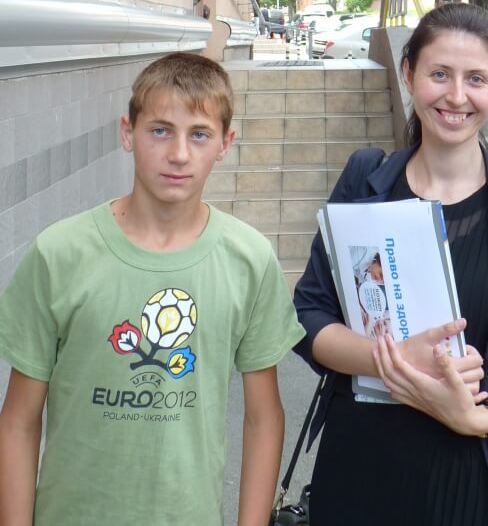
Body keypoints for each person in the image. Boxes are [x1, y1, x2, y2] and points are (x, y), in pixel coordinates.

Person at [293, 2, 488, 526]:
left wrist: (480, 417)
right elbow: (309, 316)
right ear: (408, 74)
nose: (456, 96)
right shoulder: (366, 181)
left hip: (475, 481)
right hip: (359, 470)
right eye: (439, 74)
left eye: (476, 78)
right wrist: (393, 359)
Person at [0, 51, 304, 526]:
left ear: (225, 143)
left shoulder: (249, 261)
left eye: (199, 134)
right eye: (160, 130)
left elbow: (264, 418)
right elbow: (19, 420)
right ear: (128, 132)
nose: (179, 153)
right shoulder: (58, 255)